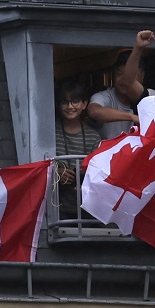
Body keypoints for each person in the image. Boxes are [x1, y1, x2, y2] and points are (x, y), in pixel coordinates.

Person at [53, 80, 101, 217]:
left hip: (87, 209)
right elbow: (38, 165)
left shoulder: (93, 137)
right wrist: (57, 172)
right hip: (56, 209)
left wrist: (85, 182)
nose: (70, 106)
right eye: (65, 102)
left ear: (84, 104)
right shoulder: (48, 134)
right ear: (58, 105)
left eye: (75, 101)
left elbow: (99, 172)